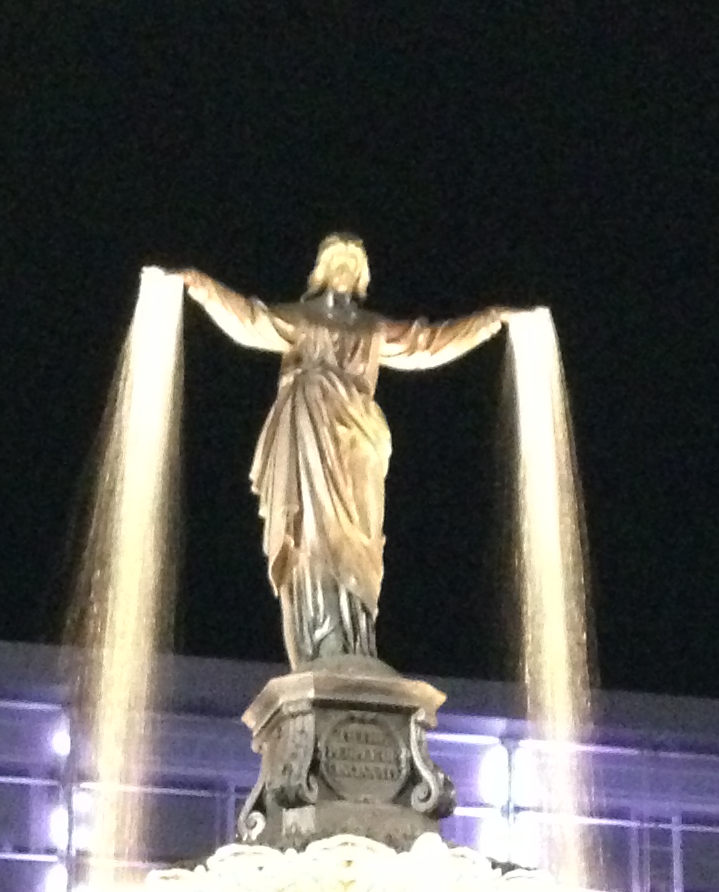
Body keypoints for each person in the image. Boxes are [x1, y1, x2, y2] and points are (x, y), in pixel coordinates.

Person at [179, 238, 511, 668]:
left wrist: (489, 321)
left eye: (353, 264)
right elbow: (250, 319)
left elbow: (426, 344)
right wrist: (203, 287)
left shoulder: (371, 328)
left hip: (359, 442)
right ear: (322, 270)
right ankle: (321, 639)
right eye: (337, 261)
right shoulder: (302, 319)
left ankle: (356, 641)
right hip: (310, 435)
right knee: (311, 536)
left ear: (361, 277)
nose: (344, 269)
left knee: (361, 537)